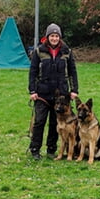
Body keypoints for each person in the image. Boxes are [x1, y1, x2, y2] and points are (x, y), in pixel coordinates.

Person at [28, 23, 79, 160]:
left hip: (61, 94)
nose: (54, 38)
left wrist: (74, 90)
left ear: (60, 37)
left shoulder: (66, 51)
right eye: (52, 36)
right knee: (39, 122)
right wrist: (32, 90)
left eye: (57, 36)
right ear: (47, 37)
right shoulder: (39, 51)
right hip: (42, 93)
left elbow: (73, 71)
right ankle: (35, 149)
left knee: (54, 123)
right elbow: (32, 72)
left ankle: (51, 149)